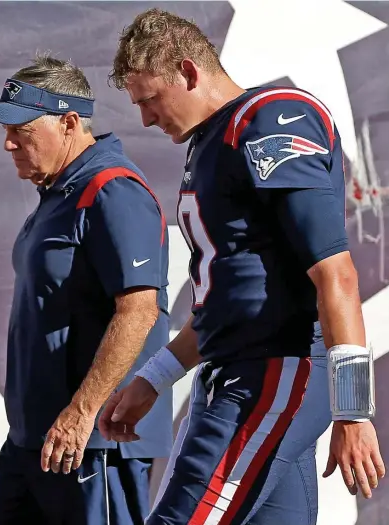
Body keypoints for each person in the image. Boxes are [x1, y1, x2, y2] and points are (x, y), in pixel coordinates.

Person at [99, 8, 386, 525]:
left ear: (187, 72)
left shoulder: (271, 117)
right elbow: (230, 300)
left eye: (149, 100)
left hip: (273, 374)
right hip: (240, 372)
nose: (145, 118)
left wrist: (353, 408)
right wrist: (153, 378)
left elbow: (336, 273)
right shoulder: (210, 142)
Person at [0, 53, 172, 525]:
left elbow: (141, 311)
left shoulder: (112, 190)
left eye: (21, 131)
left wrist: (82, 414)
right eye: (6, 131)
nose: (8, 144)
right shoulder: (59, 192)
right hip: (32, 441)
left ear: (68, 123)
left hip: (90, 444)